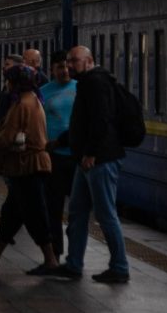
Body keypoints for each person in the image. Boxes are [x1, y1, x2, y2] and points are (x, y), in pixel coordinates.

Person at [0, 65, 62, 276]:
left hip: (27, 166)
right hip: (30, 166)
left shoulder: (22, 104)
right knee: (11, 214)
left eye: (9, 81)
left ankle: (51, 260)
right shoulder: (35, 99)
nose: (6, 85)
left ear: (17, 83)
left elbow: (7, 136)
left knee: (35, 214)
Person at [52, 45, 129, 283]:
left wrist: (92, 153)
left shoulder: (96, 83)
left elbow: (101, 120)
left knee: (105, 215)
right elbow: (82, 123)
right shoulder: (87, 83)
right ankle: (74, 263)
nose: (70, 65)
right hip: (86, 160)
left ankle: (120, 266)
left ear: (89, 60)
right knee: (77, 212)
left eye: (74, 61)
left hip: (99, 160)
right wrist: (62, 141)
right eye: (68, 61)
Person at [38, 49, 77, 259]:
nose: (65, 70)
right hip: (53, 156)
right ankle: (56, 252)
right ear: (52, 69)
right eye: (60, 67)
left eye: (67, 66)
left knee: (77, 209)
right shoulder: (44, 92)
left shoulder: (80, 89)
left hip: (75, 156)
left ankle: (75, 254)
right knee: (53, 207)